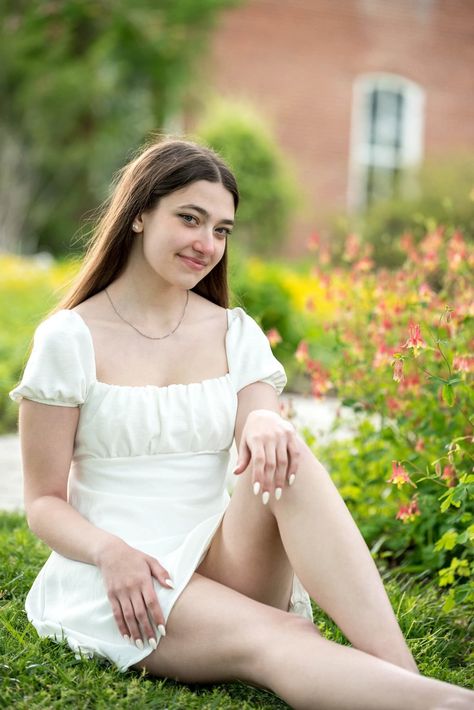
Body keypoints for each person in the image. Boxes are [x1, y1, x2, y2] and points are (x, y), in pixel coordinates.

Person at [9, 137, 474, 710]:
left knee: (288, 457)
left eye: (222, 230)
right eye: (190, 219)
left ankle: (402, 673)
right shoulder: (68, 339)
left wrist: (262, 426)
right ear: (138, 216)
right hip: (130, 579)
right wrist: (109, 552)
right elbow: (44, 502)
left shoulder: (233, 330)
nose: (207, 244)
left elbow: (261, 417)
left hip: (225, 556)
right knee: (283, 637)